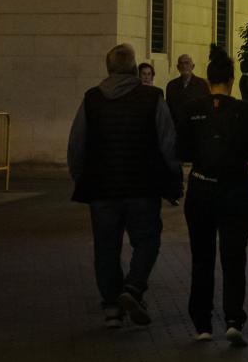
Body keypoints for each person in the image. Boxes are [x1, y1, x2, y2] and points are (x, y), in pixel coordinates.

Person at [67, 43, 182, 329]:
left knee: (106, 247)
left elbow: (77, 144)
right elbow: (168, 143)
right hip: (143, 185)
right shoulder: (152, 97)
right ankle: (133, 287)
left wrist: (80, 177)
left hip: (102, 187)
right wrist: (175, 179)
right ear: (134, 69)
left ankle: (111, 308)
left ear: (108, 69)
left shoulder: (92, 99)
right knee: (148, 240)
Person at [177, 53, 248, 346]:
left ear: (209, 79)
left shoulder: (191, 109)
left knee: (202, 257)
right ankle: (233, 318)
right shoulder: (244, 111)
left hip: (201, 190)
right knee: (234, 256)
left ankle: (202, 323)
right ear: (231, 80)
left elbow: (183, 152)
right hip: (236, 191)